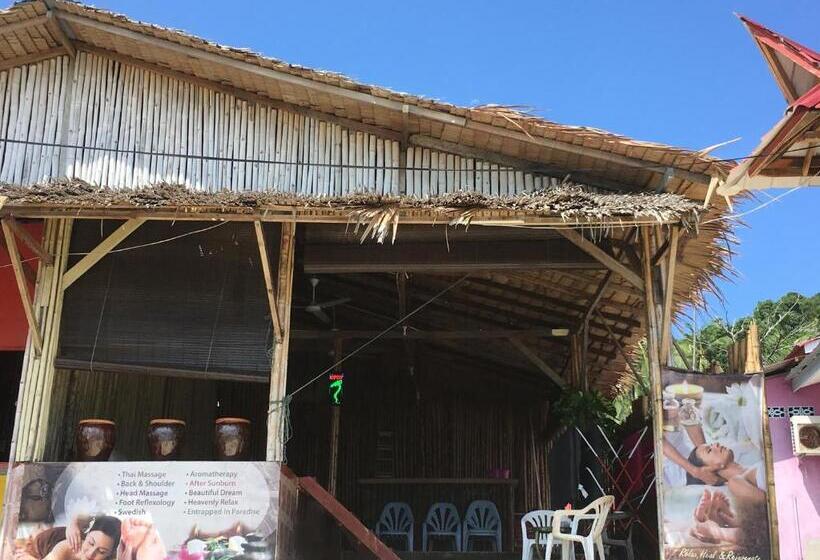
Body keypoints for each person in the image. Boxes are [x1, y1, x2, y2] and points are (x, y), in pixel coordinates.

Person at [16, 516, 121, 560]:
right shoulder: (69, 546)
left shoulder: (113, 556)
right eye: (90, 543)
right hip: (44, 543)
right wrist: (73, 523)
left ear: (110, 553)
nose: (91, 554)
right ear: (87, 534)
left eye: (101, 552)